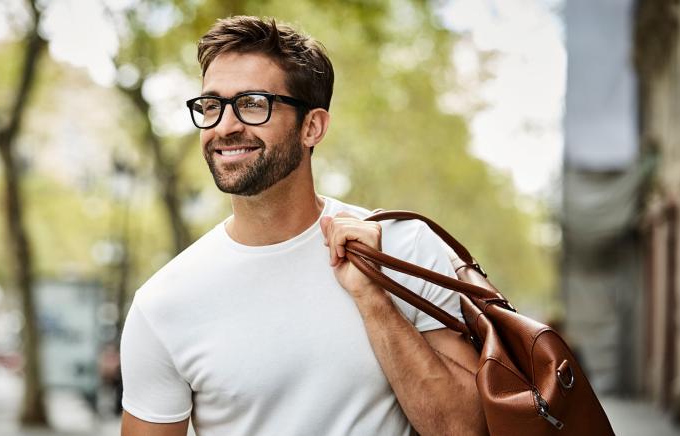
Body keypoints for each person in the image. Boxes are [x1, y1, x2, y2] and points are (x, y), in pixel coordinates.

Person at [120, 16, 485, 436]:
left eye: (253, 104)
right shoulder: (163, 304)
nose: (225, 126)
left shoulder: (404, 246)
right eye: (211, 106)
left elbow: (468, 429)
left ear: (312, 127)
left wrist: (374, 299)